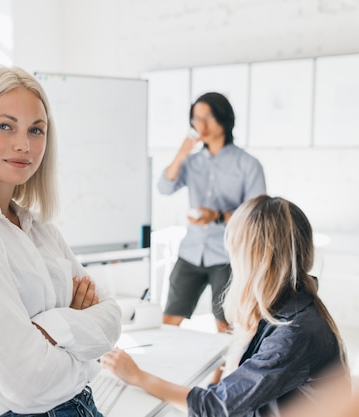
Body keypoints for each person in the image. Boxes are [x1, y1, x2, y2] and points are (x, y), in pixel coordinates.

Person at [0, 65, 122, 417]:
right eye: (4, 125)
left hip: (79, 405)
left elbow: (112, 319)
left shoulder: (40, 228)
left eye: (36, 130)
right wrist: (76, 331)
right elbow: (28, 380)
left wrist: (45, 328)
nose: (23, 144)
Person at [101, 195, 350, 417]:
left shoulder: (294, 331)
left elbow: (216, 407)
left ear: (253, 258)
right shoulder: (290, 305)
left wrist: (138, 377)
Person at [157, 92, 266, 365]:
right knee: (169, 319)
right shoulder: (192, 161)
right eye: (196, 118)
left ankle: (223, 379)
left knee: (226, 327)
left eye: (208, 117)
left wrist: (217, 216)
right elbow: (165, 186)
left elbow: (258, 216)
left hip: (226, 256)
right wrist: (182, 152)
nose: (201, 125)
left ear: (224, 119)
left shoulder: (247, 164)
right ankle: (165, 367)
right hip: (191, 252)